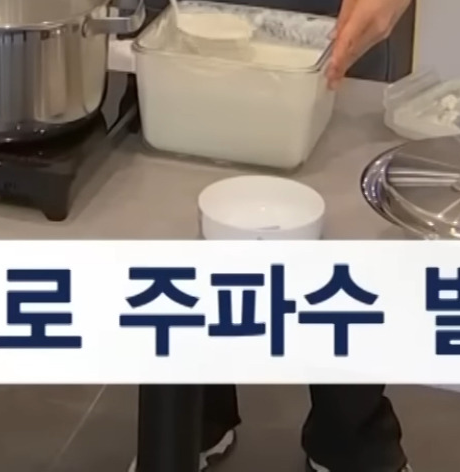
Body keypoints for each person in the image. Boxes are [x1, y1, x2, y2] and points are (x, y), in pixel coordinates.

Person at [126, 0, 422, 469]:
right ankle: (189, 418)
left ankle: (351, 435)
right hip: (188, 22)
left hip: (334, 17)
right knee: (178, 210)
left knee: (343, 228)